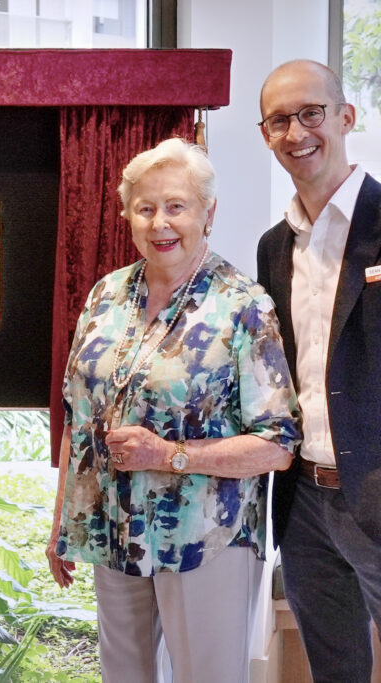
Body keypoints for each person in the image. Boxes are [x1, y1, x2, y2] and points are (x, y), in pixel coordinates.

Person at [46, 138, 301, 682]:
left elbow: (277, 445)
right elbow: (77, 416)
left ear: (209, 213)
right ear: (127, 216)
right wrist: (60, 524)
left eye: (177, 206)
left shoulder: (243, 305)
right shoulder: (105, 295)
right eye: (146, 208)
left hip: (206, 537)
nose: (161, 222)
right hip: (112, 530)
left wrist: (167, 454)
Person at [256, 59, 381, 682]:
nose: (296, 131)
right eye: (280, 119)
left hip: (379, 488)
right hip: (303, 500)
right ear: (265, 134)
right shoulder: (273, 246)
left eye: (311, 113)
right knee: (336, 671)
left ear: (345, 117)